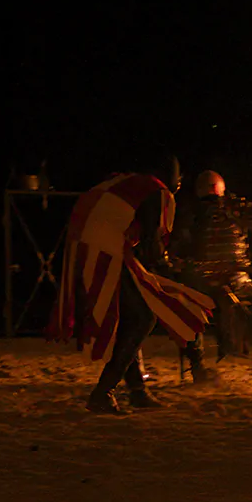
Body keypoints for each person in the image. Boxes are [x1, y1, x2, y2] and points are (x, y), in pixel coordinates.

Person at [46, 152, 214, 414]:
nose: (179, 183)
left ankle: (137, 391)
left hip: (83, 244)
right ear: (172, 177)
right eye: (178, 177)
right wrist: (174, 269)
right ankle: (103, 392)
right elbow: (152, 246)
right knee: (143, 317)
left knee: (130, 316)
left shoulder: (127, 183)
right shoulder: (157, 192)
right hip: (104, 248)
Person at [171, 170, 252, 387]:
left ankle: (198, 371)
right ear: (220, 188)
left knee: (191, 321)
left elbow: (177, 247)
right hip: (233, 281)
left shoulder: (187, 211)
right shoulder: (231, 206)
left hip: (197, 282)